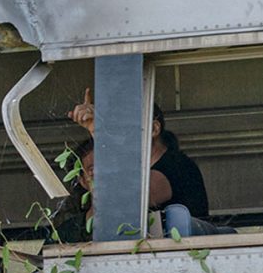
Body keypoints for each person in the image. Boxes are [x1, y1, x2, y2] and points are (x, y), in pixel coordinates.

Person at [67, 91, 220, 238]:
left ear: (153, 129)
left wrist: (98, 132)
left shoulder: (177, 166)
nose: (118, 137)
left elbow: (126, 198)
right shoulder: (140, 168)